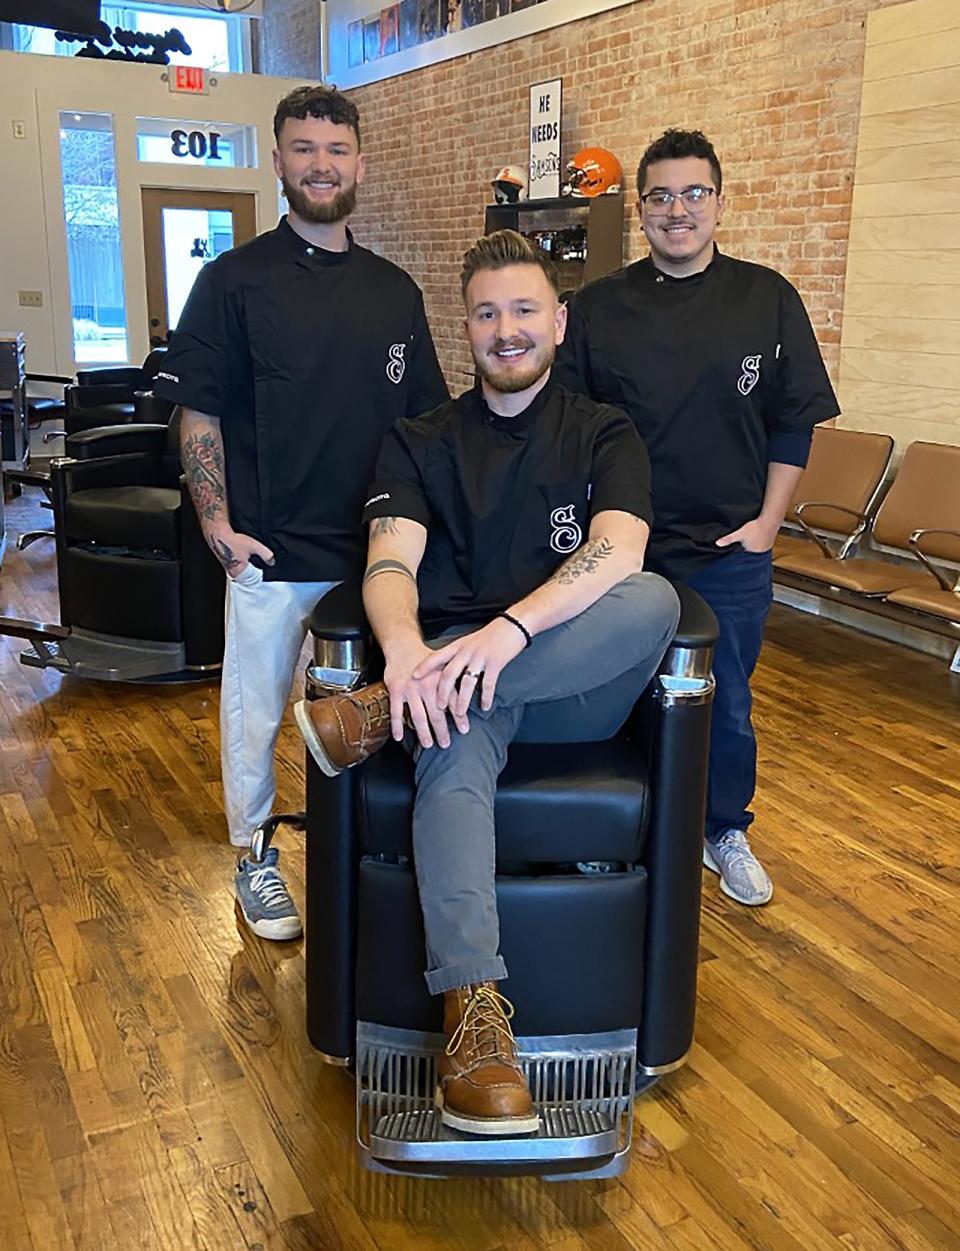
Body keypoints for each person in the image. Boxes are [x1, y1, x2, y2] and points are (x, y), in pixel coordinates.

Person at [295, 230, 680, 1135]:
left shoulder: (603, 430)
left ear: (558, 318)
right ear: (463, 326)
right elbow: (389, 566)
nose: (506, 330)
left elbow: (619, 548)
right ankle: (473, 1016)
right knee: (455, 726)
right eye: (486, 312)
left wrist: (503, 634)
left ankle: (389, 714)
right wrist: (404, 654)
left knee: (653, 596)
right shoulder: (419, 440)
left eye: (523, 310)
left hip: (573, 687)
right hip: (459, 694)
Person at [153, 85, 448, 940]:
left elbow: (425, 423)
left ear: (361, 162)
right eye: (305, 149)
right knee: (254, 715)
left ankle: (373, 859)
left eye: (337, 149)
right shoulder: (232, 281)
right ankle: (254, 857)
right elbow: (198, 410)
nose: (323, 164)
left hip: (374, 560)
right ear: (278, 160)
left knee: (378, 718)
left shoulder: (394, 292)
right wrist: (216, 525)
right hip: (272, 552)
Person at [554, 128, 839, 907]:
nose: (677, 210)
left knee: (729, 702)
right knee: (609, 690)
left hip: (728, 547)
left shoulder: (766, 297)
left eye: (693, 193)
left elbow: (793, 421)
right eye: (660, 196)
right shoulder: (601, 308)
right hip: (622, 546)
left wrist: (769, 524)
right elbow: (567, 426)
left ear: (718, 201)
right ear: (639, 207)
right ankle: (613, 832)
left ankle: (723, 828)